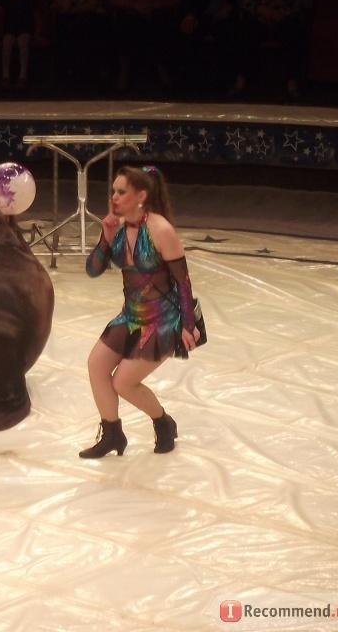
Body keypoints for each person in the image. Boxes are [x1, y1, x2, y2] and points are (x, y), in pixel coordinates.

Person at [80, 165, 199, 458]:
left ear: (141, 196)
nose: (114, 197)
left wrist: (188, 325)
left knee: (123, 382)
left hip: (163, 322)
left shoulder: (161, 230)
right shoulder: (119, 227)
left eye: (121, 192)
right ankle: (112, 434)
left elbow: (183, 282)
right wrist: (106, 236)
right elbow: (93, 270)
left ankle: (163, 423)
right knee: (96, 365)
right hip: (131, 316)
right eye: (113, 191)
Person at [0, 0, 35, 88]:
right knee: (6, 42)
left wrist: (37, 32)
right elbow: (2, 15)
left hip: (25, 28)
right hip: (10, 29)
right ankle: (5, 75)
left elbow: (35, 16)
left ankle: (22, 75)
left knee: (23, 42)